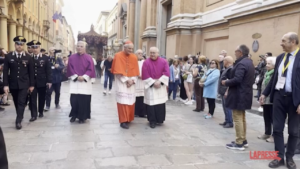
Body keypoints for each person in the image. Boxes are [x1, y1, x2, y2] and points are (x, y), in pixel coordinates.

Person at [260, 32, 300, 169]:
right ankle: (278, 158)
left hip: (295, 100)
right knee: (277, 129)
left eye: (284, 41)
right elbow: (275, 79)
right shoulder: (280, 58)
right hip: (278, 97)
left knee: (294, 132)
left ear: (293, 42)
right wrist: (264, 93)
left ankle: (289, 159)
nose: (281, 43)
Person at [222, 45, 254, 150]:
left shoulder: (241, 63)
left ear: (240, 52)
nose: (234, 53)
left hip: (239, 94)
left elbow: (237, 79)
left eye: (236, 51)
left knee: (237, 118)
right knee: (242, 117)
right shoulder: (249, 62)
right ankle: (243, 140)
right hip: (245, 93)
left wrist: (225, 82)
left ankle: (239, 142)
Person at [3, 36, 35, 129]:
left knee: (21, 102)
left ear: (24, 45)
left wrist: (32, 85)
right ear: (15, 45)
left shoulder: (28, 57)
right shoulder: (9, 56)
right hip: (13, 83)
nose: (19, 46)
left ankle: (18, 121)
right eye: (18, 44)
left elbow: (31, 72)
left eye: (21, 44)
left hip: (24, 83)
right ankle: (20, 115)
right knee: (16, 102)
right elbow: (5, 71)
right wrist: (5, 85)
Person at [111, 40, 139, 129]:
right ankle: (123, 121)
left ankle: (129, 118)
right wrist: (127, 80)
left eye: (132, 49)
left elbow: (136, 72)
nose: (131, 50)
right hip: (122, 82)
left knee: (130, 101)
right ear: (124, 47)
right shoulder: (118, 56)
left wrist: (132, 80)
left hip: (131, 83)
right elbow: (117, 71)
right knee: (122, 102)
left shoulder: (134, 57)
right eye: (129, 48)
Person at [67, 41, 96, 123]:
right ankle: (74, 115)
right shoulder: (72, 57)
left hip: (85, 83)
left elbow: (91, 69)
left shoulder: (89, 57)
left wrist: (84, 77)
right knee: (74, 100)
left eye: (81, 46)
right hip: (75, 82)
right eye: (78, 46)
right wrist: (76, 76)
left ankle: (82, 117)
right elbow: (70, 68)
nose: (79, 47)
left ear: (84, 48)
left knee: (84, 100)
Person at [142, 47, 170, 128]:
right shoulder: (146, 62)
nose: (152, 54)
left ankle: (159, 119)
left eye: (154, 53)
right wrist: (153, 82)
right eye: (151, 52)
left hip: (160, 85)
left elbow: (166, 72)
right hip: (151, 86)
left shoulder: (164, 62)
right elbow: (145, 74)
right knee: (151, 104)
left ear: (158, 53)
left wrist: (160, 82)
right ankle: (152, 121)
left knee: (160, 103)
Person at [29, 41, 52, 121]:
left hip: (42, 81)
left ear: (39, 48)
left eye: (36, 47)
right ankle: (33, 115)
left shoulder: (45, 58)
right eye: (33, 48)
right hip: (32, 82)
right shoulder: (29, 57)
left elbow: (48, 70)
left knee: (42, 97)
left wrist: (49, 81)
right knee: (32, 98)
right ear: (31, 48)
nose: (35, 49)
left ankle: (41, 111)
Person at [258, 56, 276, 143]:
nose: (267, 65)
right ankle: (267, 132)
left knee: (273, 118)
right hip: (265, 98)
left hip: (272, 99)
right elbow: (263, 86)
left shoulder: (275, 74)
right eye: (267, 63)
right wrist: (261, 95)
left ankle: (274, 135)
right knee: (266, 117)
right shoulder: (267, 73)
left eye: (269, 64)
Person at [218, 56, 234, 128]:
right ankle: (226, 120)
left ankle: (230, 122)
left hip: (226, 90)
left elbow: (230, 81)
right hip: (222, 90)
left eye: (224, 61)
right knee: (224, 106)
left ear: (227, 61)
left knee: (227, 107)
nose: (223, 62)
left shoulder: (230, 69)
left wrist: (227, 91)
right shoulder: (226, 69)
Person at [134, 49, 146, 118]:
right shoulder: (133, 62)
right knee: (136, 96)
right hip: (136, 81)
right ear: (135, 54)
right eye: (139, 53)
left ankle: (142, 113)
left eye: (141, 53)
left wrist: (144, 76)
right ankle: (135, 112)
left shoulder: (144, 62)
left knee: (142, 97)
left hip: (143, 81)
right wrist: (137, 75)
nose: (140, 55)